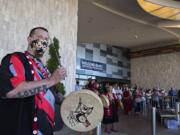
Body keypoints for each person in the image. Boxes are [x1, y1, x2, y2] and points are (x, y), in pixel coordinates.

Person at [0, 27, 67, 135]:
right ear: (29, 39)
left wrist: (68, 100)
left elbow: (51, 92)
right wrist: (51, 80)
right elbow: (11, 91)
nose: (43, 41)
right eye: (39, 37)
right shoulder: (16, 58)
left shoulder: (42, 67)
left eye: (46, 39)